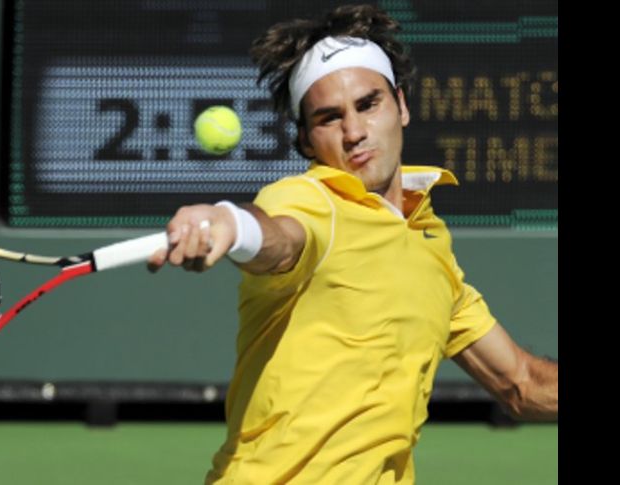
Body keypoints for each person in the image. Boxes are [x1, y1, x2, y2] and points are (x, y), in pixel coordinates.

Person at [147, 4, 558, 483]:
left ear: (400, 106)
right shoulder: (311, 201)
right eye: (329, 118)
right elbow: (279, 237)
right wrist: (231, 225)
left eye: (368, 104)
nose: (355, 132)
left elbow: (523, 385)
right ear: (305, 141)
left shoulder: (430, 247)